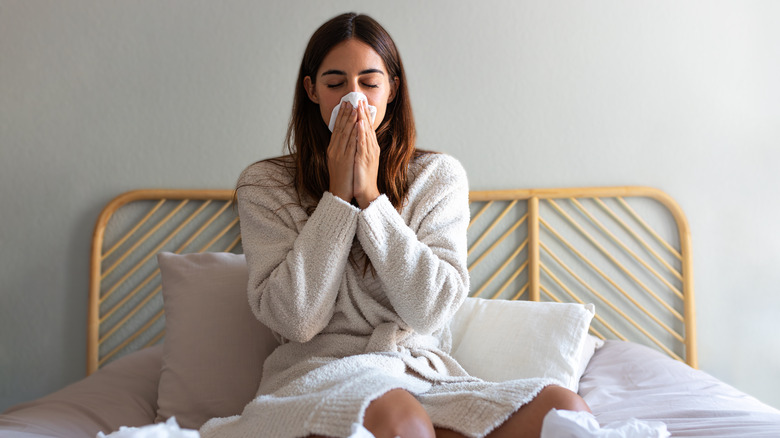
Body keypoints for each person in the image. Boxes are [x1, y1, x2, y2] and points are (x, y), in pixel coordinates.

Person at [201, 12, 589, 438]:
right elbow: (296, 320)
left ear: (392, 88)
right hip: (318, 379)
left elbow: (431, 310)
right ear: (312, 90)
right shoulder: (265, 185)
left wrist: (371, 200)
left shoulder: (436, 177)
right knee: (398, 416)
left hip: (420, 376)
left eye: (369, 83)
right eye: (335, 84)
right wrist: (336, 200)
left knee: (560, 407)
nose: (355, 99)